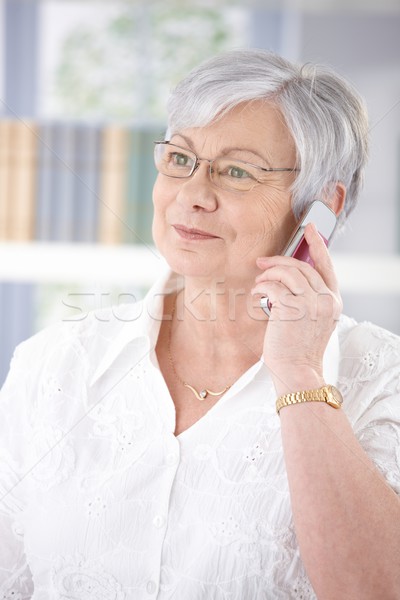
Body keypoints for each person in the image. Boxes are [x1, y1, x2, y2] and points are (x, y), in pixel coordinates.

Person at [1, 48, 399, 599]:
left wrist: (300, 373)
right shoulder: (53, 364)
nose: (193, 194)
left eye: (236, 172)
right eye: (181, 160)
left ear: (319, 208)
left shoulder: (383, 379)